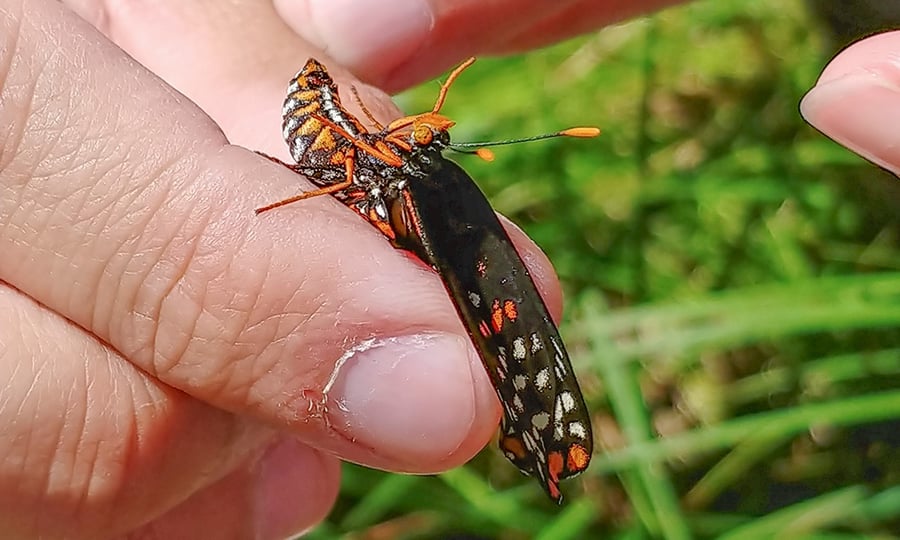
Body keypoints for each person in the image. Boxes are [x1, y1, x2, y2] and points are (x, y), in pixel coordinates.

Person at [0, 1, 894, 538]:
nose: (427, 132)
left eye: (428, 135)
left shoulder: (437, 190)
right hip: (323, 142)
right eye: (423, 127)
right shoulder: (389, 151)